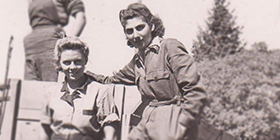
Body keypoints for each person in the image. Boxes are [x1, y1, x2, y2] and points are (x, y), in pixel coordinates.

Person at [86, 3, 207, 140]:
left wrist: (183, 124)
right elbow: (110, 80)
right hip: (149, 121)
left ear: (152, 26)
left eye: (140, 28)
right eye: (129, 31)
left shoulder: (169, 47)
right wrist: (84, 73)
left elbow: (195, 91)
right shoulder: (137, 61)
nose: (135, 35)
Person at [40, 36, 119, 140]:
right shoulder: (51, 94)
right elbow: (45, 130)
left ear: (85, 61)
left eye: (77, 61)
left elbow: (110, 130)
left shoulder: (100, 92)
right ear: (59, 63)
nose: (72, 67)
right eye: (67, 62)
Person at [24, 0, 86, 81]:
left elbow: (81, 18)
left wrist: (68, 41)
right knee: (29, 87)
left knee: (50, 85)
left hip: (50, 41)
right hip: (31, 43)